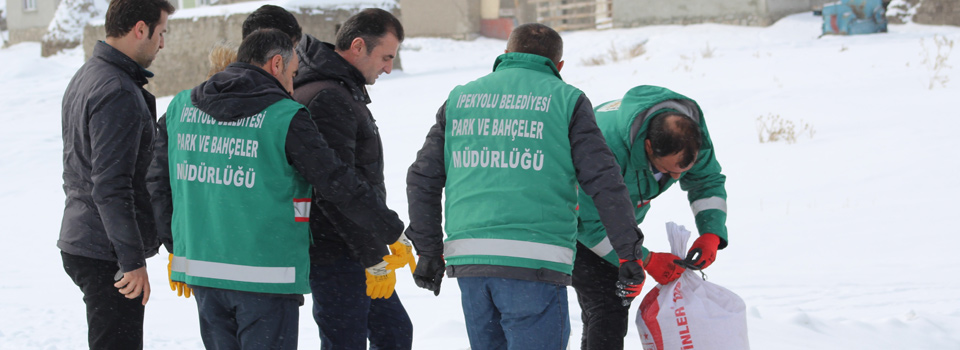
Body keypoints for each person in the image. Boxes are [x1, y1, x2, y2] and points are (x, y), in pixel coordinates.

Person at [145, 28, 403, 349]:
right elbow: (336, 182)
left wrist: (177, 247)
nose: (293, 87)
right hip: (267, 277)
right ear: (276, 64)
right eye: (294, 75)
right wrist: (390, 230)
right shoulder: (285, 117)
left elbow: (157, 183)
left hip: (205, 274)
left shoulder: (181, 109)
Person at [405, 23, 647, 350]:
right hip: (536, 262)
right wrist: (628, 253)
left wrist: (429, 249)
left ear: (506, 55)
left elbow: (423, 177)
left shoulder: (460, 99)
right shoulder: (567, 101)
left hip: (472, 263)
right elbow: (604, 181)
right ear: (558, 65)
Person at [292, 8, 414, 350]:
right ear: (358, 46)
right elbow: (332, 187)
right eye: (386, 57)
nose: (389, 67)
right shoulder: (328, 97)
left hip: (353, 243)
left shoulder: (337, 89)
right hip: (335, 248)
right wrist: (371, 255)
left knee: (394, 332)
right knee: (347, 341)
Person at [573, 85, 728, 350]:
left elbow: (705, 180)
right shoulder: (604, 147)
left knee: (604, 308)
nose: (677, 179)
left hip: (616, 222)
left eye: (682, 171)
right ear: (647, 146)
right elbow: (589, 226)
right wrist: (645, 259)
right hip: (570, 220)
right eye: (667, 170)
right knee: (607, 303)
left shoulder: (688, 131)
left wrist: (711, 233)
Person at [58, 0, 174, 348]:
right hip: (104, 249)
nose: (162, 43)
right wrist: (131, 261)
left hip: (88, 236)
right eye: (161, 32)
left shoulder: (89, 74)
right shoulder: (117, 90)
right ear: (140, 29)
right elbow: (110, 185)